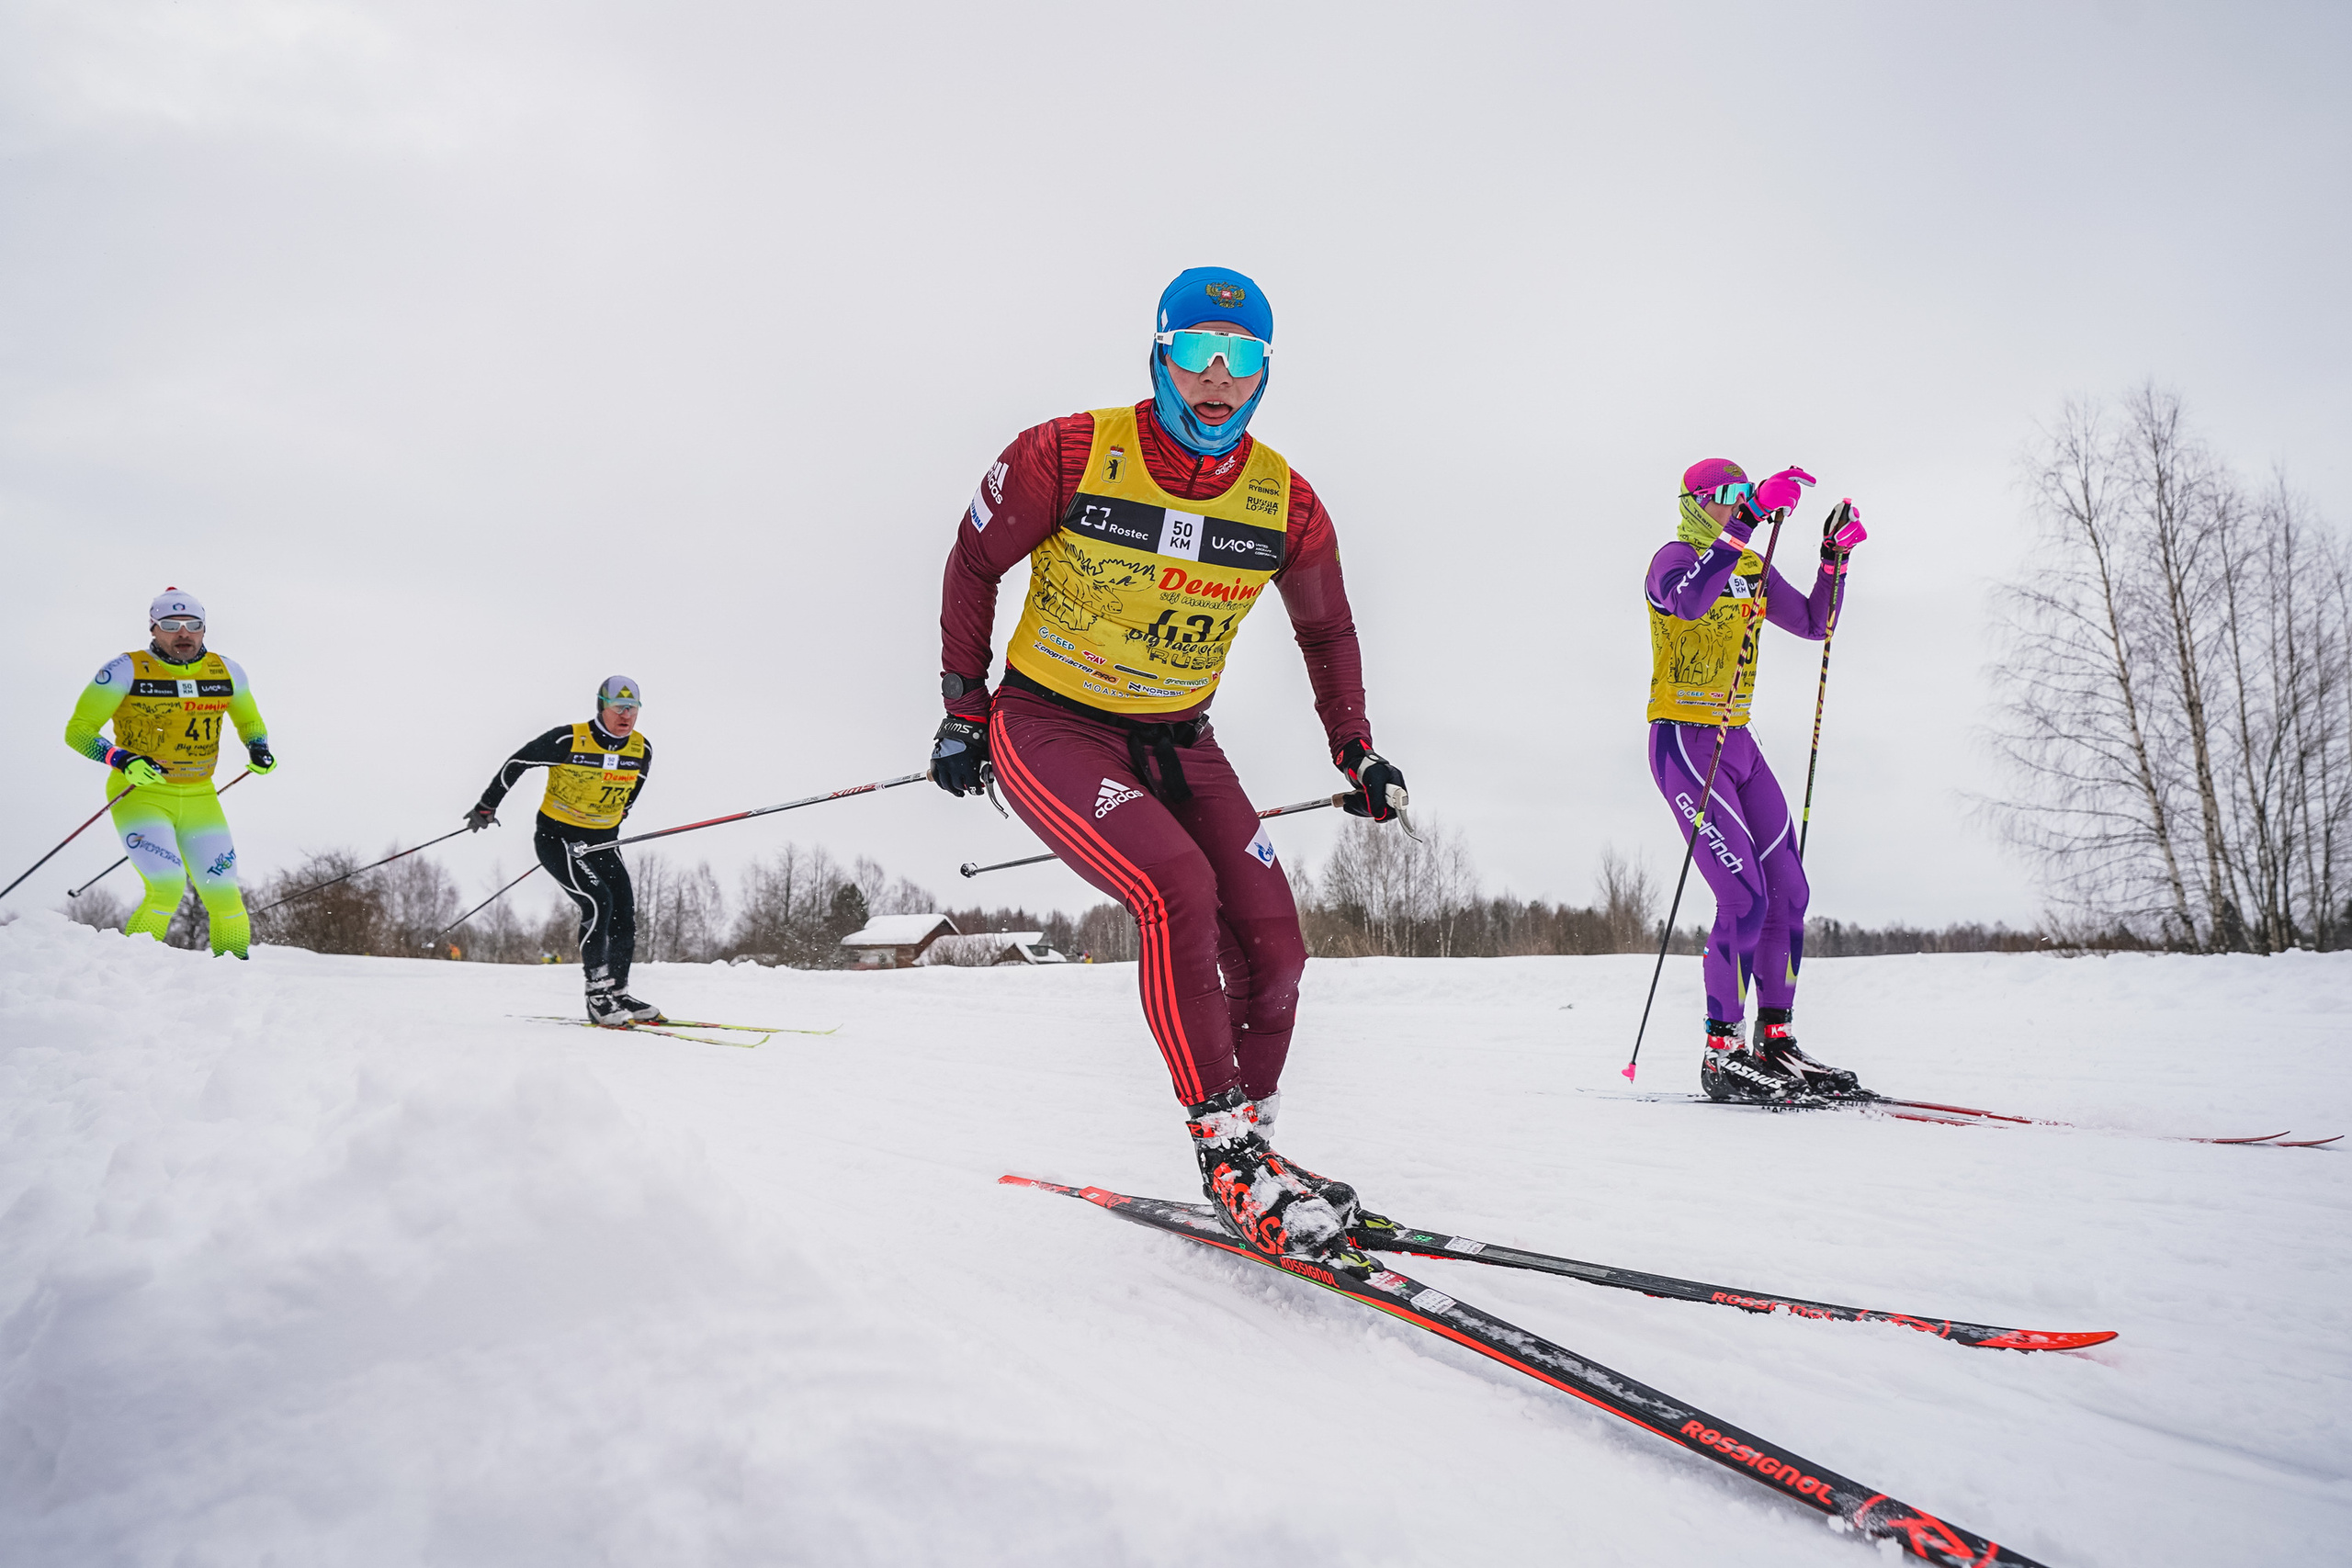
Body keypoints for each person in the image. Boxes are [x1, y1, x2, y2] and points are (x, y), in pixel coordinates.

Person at [931, 266, 1410, 1266]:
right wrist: (962, 711)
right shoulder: (1064, 455)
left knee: (1276, 943)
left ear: (1265, 376)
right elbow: (974, 563)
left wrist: (1353, 749)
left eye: (1242, 361)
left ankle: (1255, 1156)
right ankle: (1222, 1142)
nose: (1217, 377)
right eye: (1197, 352)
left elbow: (1327, 632)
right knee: (1176, 889)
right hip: (1050, 725)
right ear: (1158, 354)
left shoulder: (1288, 503)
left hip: (1180, 737)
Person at [1645, 460, 1868, 1100]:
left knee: (1789, 891)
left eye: (1748, 497)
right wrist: (1748, 520)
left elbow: (1814, 622)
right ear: (1698, 503)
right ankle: (1721, 1051)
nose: (1741, 506)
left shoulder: (1750, 565)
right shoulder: (1671, 558)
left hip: (1736, 739)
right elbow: (1687, 601)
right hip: (1684, 738)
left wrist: (1832, 560)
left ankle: (1775, 1039)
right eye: (1730, 498)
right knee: (1743, 896)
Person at [62, 589, 275, 958]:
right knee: (167, 886)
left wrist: (259, 747)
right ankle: (129, 971)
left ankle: (235, 982)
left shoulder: (227, 671)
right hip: (140, 794)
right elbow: (78, 731)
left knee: (225, 895)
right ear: (153, 628)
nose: (183, 634)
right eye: (171, 625)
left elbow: (251, 721)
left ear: (204, 629)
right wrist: (120, 758)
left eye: (193, 625)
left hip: (200, 797)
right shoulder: (124, 669)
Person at [464, 676, 660, 1025]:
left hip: (602, 841)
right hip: (558, 839)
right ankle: (596, 996)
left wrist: (613, 814)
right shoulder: (569, 739)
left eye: (633, 709)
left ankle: (617, 992)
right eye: (619, 708)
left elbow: (633, 791)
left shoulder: (641, 750)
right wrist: (486, 806)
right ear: (602, 706)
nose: (626, 715)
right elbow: (517, 763)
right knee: (598, 902)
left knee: (624, 911)